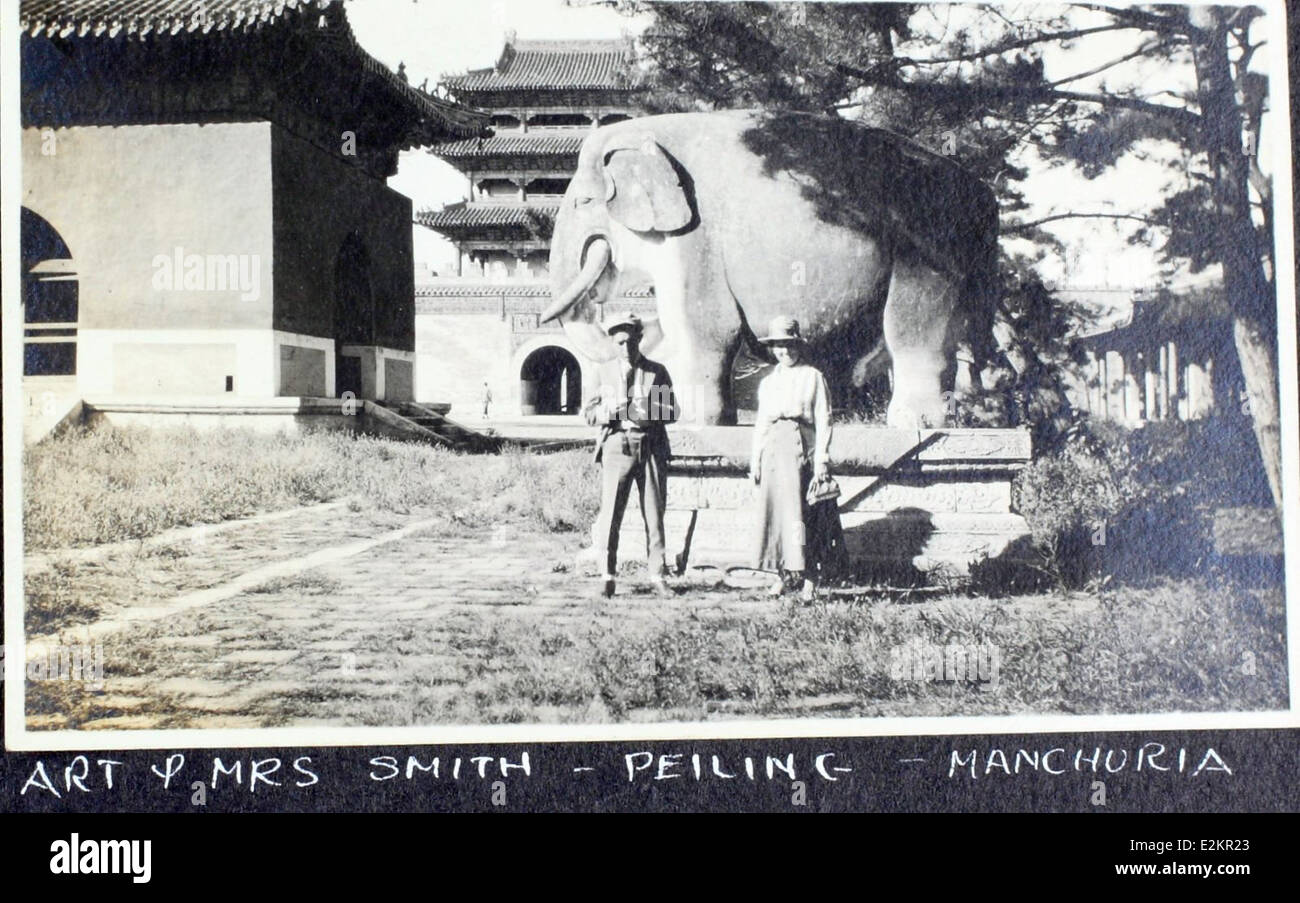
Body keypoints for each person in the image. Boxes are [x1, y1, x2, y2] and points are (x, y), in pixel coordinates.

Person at [750, 315, 844, 601]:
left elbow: (823, 419)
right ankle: (783, 576)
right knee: (778, 515)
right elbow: (762, 423)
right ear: (772, 348)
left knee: (804, 517)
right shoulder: (768, 383)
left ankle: (809, 582)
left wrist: (821, 461)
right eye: (779, 346)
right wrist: (755, 460)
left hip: (802, 448)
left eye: (790, 345)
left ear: (798, 346)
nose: (785, 351)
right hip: (774, 452)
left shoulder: (812, 377)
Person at [585, 313, 677, 598]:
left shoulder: (656, 372)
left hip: (650, 445)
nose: (626, 348)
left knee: (654, 512)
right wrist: (609, 412)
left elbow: (672, 411)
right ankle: (607, 576)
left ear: (640, 339)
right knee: (611, 512)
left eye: (631, 341)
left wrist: (642, 412)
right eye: (621, 342)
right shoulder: (602, 372)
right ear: (613, 343)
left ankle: (657, 575)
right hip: (616, 445)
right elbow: (587, 414)